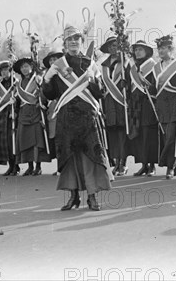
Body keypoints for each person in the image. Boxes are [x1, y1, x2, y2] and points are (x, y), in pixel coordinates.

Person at [42, 26, 113, 211]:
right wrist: (47, 80)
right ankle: (73, 196)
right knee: (68, 156)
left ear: (82, 42)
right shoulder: (58, 65)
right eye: (69, 39)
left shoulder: (90, 63)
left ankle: (91, 196)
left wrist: (93, 80)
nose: (73, 42)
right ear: (64, 44)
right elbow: (50, 95)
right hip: (66, 117)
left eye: (76, 39)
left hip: (87, 116)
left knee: (90, 156)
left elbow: (101, 93)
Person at [153, 35, 176, 179]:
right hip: (162, 106)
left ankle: (169, 166)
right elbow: (154, 88)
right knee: (167, 136)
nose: (161, 51)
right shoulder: (156, 67)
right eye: (159, 49)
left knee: (172, 137)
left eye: (163, 48)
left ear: (170, 49)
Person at [99, 36, 131, 176]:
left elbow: (133, 80)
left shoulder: (126, 63)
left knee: (123, 133)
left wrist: (127, 85)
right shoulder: (104, 65)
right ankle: (116, 161)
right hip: (109, 102)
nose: (113, 48)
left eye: (116, 45)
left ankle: (123, 162)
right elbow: (101, 84)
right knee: (112, 132)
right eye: (110, 46)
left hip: (122, 101)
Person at [13, 56, 50, 176]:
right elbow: (18, 100)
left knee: (37, 139)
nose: (24, 69)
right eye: (22, 67)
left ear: (31, 67)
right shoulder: (19, 83)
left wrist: (41, 94)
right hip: (24, 113)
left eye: (26, 66)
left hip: (35, 112)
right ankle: (29, 165)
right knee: (25, 139)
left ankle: (38, 166)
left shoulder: (38, 79)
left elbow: (44, 96)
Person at [128, 40, 159, 177]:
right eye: (136, 50)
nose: (137, 52)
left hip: (148, 103)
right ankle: (143, 164)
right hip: (135, 104)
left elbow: (157, 85)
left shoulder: (153, 65)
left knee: (149, 134)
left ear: (147, 51)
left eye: (140, 49)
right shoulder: (133, 68)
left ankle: (152, 165)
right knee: (138, 134)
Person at [0, 61, 20, 176]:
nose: (4, 72)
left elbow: (20, 98)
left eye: (6, 70)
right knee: (5, 142)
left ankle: (16, 166)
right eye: (2, 71)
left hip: (13, 115)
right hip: (3, 116)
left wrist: (16, 109)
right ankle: (10, 165)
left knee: (12, 141)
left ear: (10, 71)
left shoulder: (16, 83)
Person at [42, 51, 64, 176]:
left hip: (64, 106)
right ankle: (60, 166)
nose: (52, 62)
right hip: (52, 110)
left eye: (55, 59)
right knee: (56, 139)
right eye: (50, 60)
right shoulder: (47, 76)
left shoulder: (64, 73)